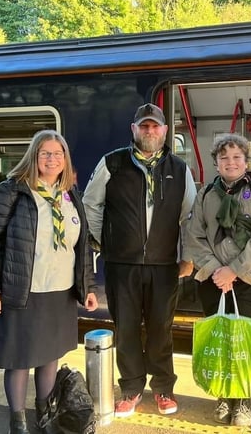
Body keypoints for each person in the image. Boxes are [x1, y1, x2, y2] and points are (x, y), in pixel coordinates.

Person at [0, 129, 99, 434]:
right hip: (23, 290)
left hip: (61, 292)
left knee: (49, 355)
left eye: (58, 153)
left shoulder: (70, 195)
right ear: (34, 157)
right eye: (45, 153)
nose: (52, 159)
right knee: (19, 358)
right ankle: (17, 421)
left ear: (65, 159)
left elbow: (79, 247)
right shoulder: (13, 191)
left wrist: (88, 288)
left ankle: (43, 412)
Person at [82, 103, 197, 417]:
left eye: (155, 126)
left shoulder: (179, 168)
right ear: (134, 129)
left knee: (161, 328)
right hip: (122, 264)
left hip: (164, 265)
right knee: (127, 328)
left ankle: (163, 389)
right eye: (143, 126)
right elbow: (90, 204)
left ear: (164, 130)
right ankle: (131, 389)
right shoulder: (112, 163)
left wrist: (188, 256)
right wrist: (103, 241)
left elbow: (191, 216)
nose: (149, 131)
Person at [184, 133, 251, 427]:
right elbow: (194, 237)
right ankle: (224, 394)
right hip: (213, 279)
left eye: (237, 157)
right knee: (222, 336)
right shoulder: (205, 195)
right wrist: (215, 270)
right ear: (216, 163)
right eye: (224, 158)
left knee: (247, 339)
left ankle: (245, 399)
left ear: (246, 162)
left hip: (250, 278)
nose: (231, 162)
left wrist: (234, 270)